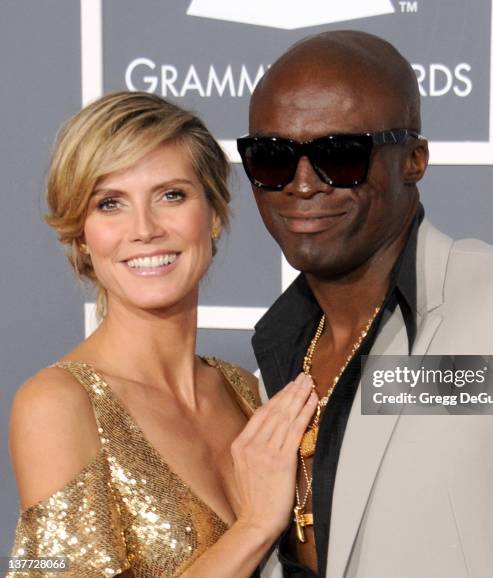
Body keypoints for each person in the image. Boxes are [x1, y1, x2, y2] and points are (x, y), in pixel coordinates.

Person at [237, 31, 493, 577]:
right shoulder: (271, 369)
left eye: (339, 156)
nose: (301, 185)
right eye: (271, 159)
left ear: (414, 159)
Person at [8, 91, 318, 578]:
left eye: (171, 195)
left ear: (213, 215)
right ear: (81, 237)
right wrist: (255, 526)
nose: (145, 229)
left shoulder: (245, 392)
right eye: (110, 204)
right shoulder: (57, 404)